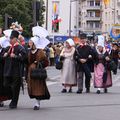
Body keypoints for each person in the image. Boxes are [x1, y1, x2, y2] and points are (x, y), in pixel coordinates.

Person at [3, 30, 27, 109]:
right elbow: (2, 54)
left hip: (16, 70)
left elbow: (24, 58)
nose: (10, 39)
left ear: (16, 39)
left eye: (12, 38)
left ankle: (14, 102)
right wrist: (5, 55)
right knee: (6, 84)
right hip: (8, 70)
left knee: (15, 87)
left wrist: (16, 56)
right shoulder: (8, 48)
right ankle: (10, 97)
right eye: (10, 38)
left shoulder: (20, 48)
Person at [27, 36, 50, 110]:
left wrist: (38, 62)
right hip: (31, 73)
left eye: (31, 42)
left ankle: (37, 103)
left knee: (38, 88)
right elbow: (27, 62)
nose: (29, 43)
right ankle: (36, 101)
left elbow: (46, 62)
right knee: (33, 88)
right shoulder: (29, 51)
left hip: (38, 73)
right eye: (29, 42)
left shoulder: (40, 51)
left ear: (34, 43)